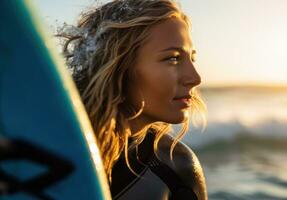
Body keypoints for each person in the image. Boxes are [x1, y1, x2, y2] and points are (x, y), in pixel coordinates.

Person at [58, 0, 207, 199]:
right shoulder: (44, 148)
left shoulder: (177, 168)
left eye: (191, 58)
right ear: (119, 65)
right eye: (172, 58)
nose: (195, 78)